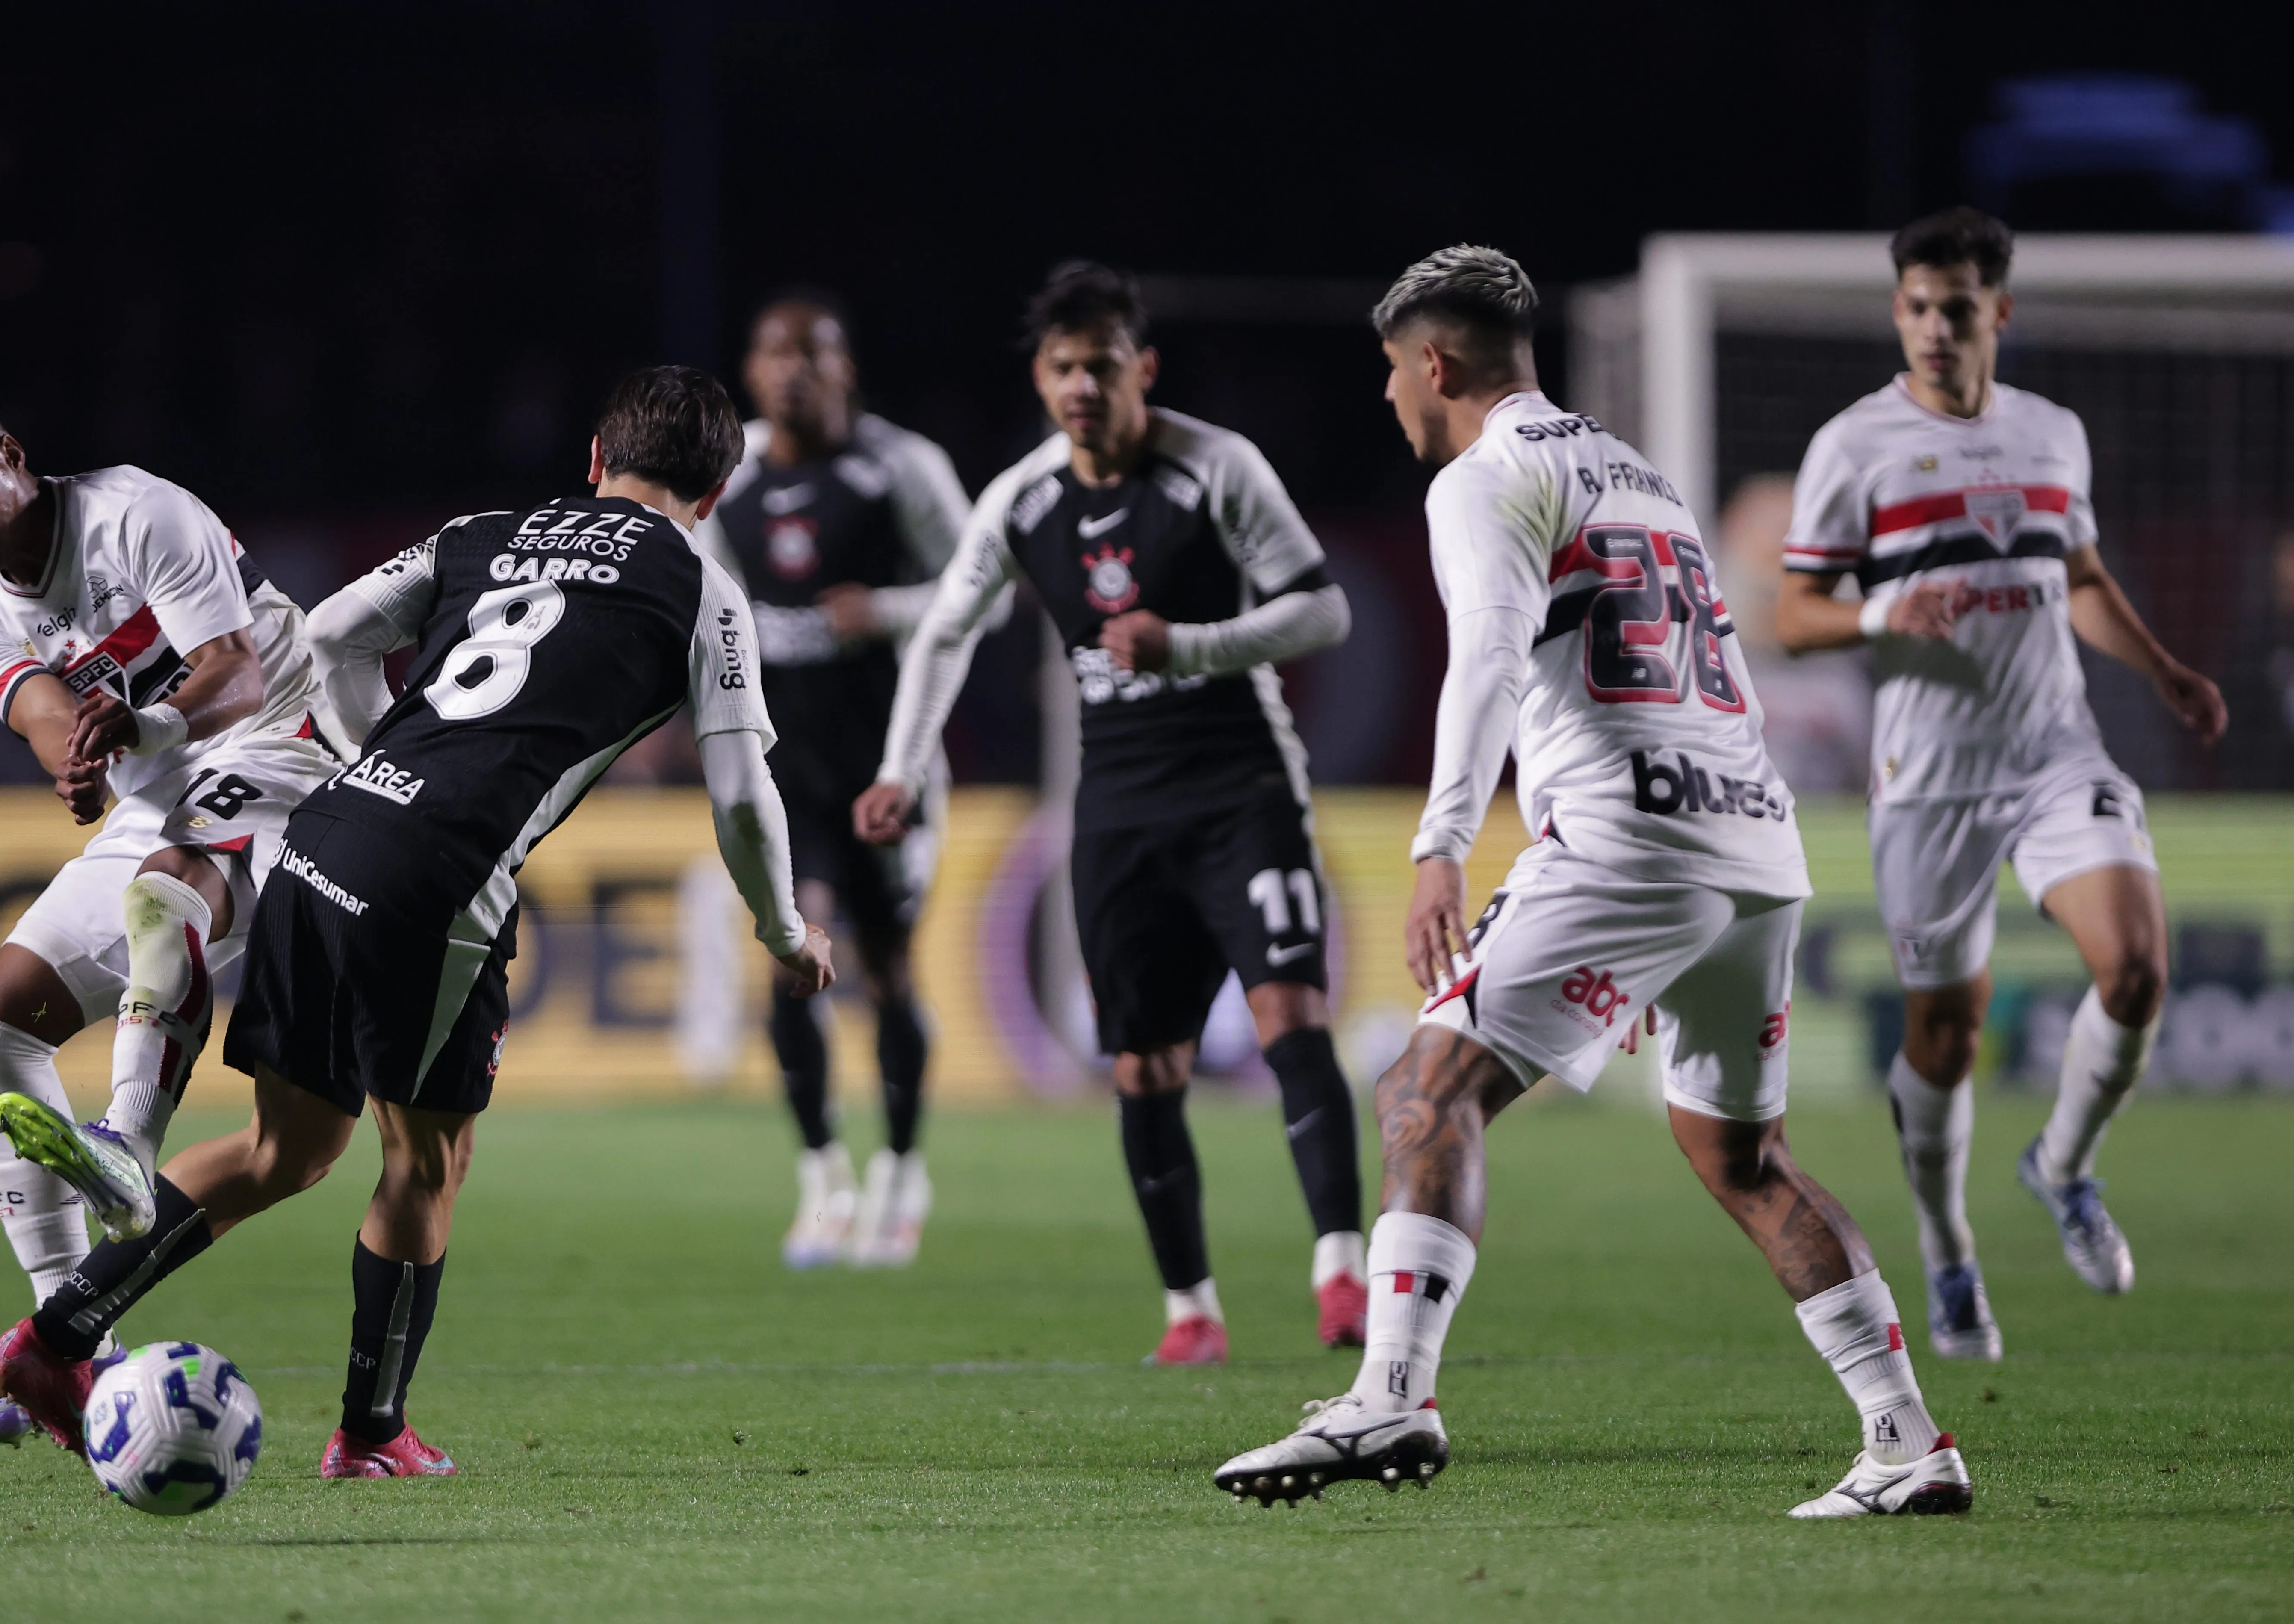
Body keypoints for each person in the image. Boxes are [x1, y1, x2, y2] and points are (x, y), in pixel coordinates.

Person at [1213, 245, 1971, 1520]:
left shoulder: (1483, 476)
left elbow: (1487, 660)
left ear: (1433, 363)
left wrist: (1440, 843)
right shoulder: (1641, 474)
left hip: (1631, 836)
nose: (1389, 398)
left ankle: (1391, 1392)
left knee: (1423, 1087)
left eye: (1392, 372)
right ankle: (1907, 1441)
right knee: (1744, 1154)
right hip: (1751, 837)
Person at [0, 366, 834, 1479]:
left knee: (286, 1148)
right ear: (713, 494)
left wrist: (381, 760)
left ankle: (52, 1340)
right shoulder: (705, 591)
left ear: (593, 460)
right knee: (427, 1159)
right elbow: (742, 796)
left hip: (324, 830)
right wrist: (785, 930)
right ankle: (372, 1433)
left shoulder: (484, 532)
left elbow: (329, 633)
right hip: (439, 877)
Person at [851, 263, 1364, 1364]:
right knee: (1142, 1068)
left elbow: (1322, 609)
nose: (1082, 386)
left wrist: (1194, 647)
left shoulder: (1216, 466)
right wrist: (902, 767)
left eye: (1102, 366)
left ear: (1144, 370)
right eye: (1063, 368)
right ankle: (1191, 1311)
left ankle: (1341, 1271)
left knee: (1290, 1014)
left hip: (1241, 788)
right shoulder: (1022, 498)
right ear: (1041, 379)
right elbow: (944, 632)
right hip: (1118, 811)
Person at [1773, 208, 2228, 1359]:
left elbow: (2080, 576)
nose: (1935, 328)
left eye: (1957, 308)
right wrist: (1883, 611)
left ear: (1999, 313)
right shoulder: (1853, 447)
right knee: (1947, 1033)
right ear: (1899, 313)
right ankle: (1946, 1249)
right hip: (1929, 780)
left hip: (2054, 751)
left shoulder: (2051, 432)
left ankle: (2063, 1165)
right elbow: (1791, 614)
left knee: (2136, 968)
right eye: (1917, 307)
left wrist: (2164, 669)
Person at [0, 371, 342, 1448]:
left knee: (160, 893)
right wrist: (79, 767)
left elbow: (235, 672)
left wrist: (139, 727)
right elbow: (55, 729)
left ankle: (126, 1141)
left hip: (289, 745)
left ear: (9, 455)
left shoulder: (135, 514)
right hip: (161, 797)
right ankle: (74, 1352)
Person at [695, 292, 973, 1268]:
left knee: (889, 974)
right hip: (784, 773)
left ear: (844, 368)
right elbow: (704, 597)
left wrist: (887, 611)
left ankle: (901, 1169)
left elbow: (983, 589)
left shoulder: (902, 465)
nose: (792, 371)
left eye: (810, 353)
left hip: (887, 769)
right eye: (774, 354)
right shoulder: (730, 476)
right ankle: (823, 1177)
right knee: (792, 960)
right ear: (752, 370)